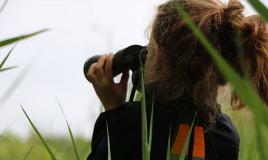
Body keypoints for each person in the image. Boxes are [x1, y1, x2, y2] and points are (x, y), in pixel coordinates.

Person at [86, 0, 268, 159]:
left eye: (150, 47)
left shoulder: (129, 122)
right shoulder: (225, 137)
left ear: (160, 61)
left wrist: (113, 111)